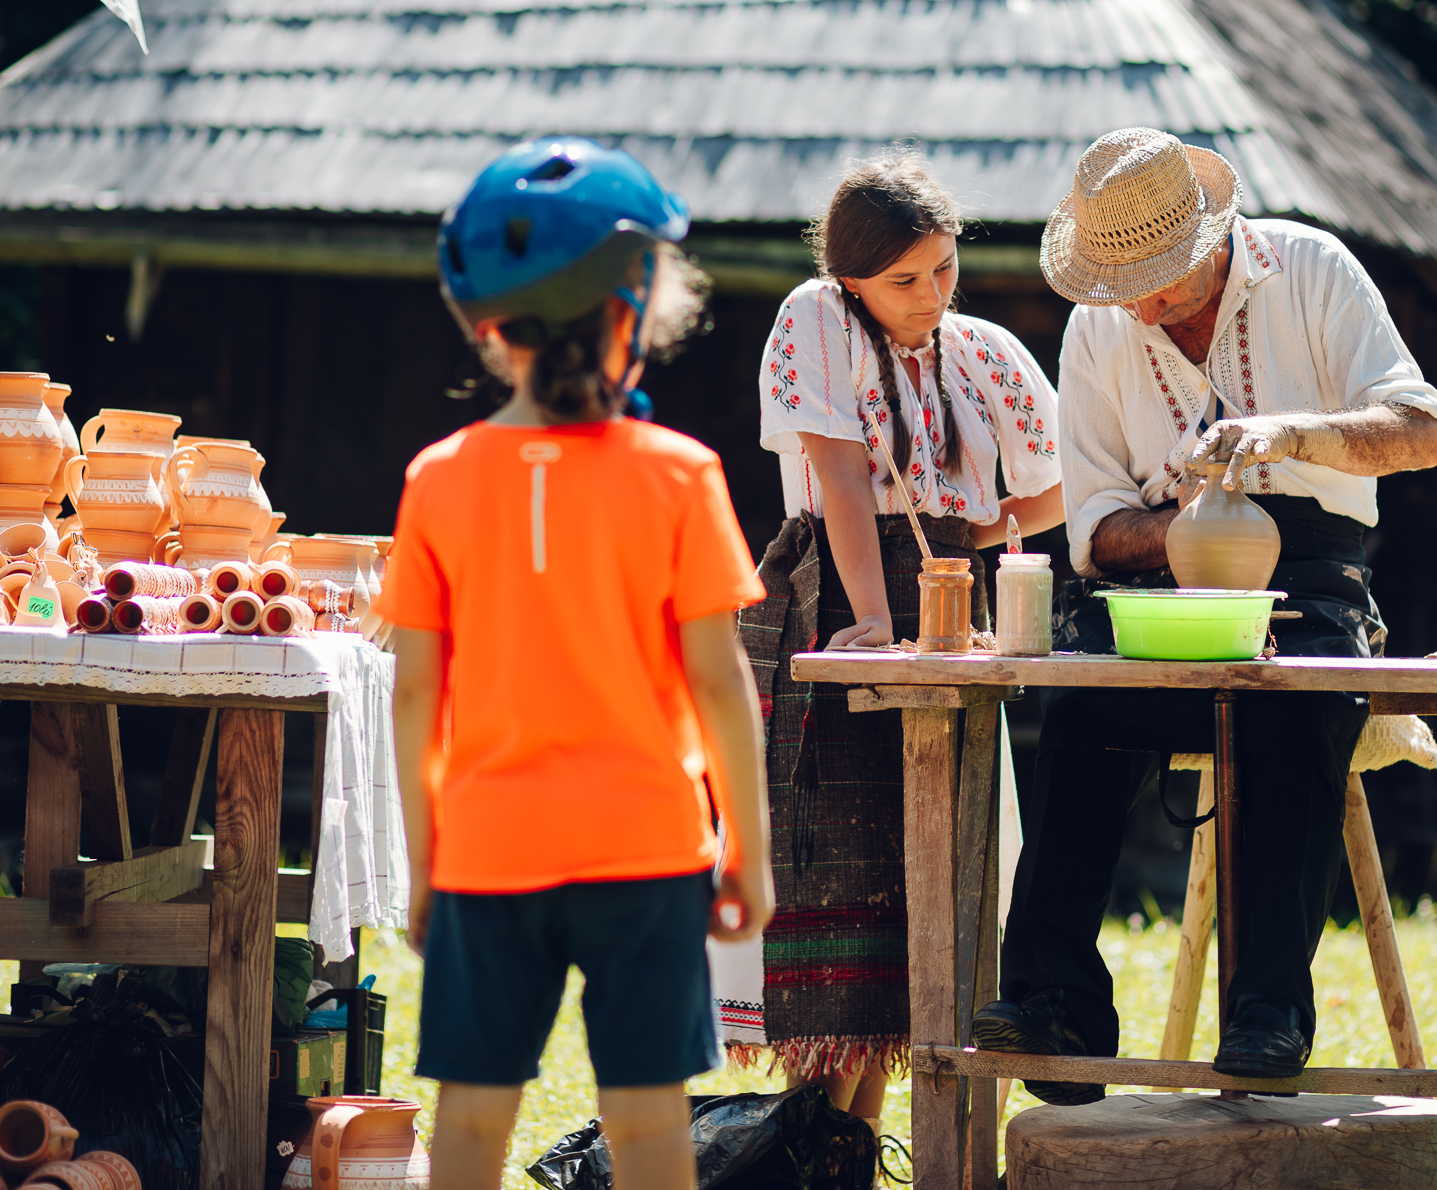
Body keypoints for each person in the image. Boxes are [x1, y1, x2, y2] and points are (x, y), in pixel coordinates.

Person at [969, 127, 1437, 1101]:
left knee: (1293, 694)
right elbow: (1095, 531)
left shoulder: (1308, 270)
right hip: (1160, 596)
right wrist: (1186, 527)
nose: (1137, 302)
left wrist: (1289, 434)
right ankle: (1054, 1001)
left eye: (1156, 275)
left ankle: (1266, 1012)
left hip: (1312, 582)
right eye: (1121, 280)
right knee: (1079, 700)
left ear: (1207, 233)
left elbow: (1424, 429)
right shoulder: (1100, 323)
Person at [378, 137, 774, 1190]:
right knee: (646, 1128)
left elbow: (413, 693)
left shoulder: (437, 480)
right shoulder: (681, 476)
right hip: (646, 845)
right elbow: (720, 686)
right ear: (630, 306)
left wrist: (423, 869)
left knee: (468, 1124)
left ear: (488, 327)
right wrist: (746, 851)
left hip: (485, 849)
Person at [735, 154, 1065, 1134]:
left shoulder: (984, 351)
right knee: (843, 888)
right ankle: (811, 1141)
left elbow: (1057, 483)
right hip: (836, 597)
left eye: (943, 270)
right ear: (849, 278)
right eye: (904, 280)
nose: (929, 297)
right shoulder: (816, 316)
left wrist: (963, 555)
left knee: (931, 883)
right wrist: (876, 619)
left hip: (943, 603)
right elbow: (839, 480)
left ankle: (848, 1145)